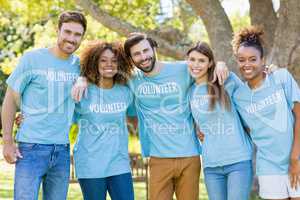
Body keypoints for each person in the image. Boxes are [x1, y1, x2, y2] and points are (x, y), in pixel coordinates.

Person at [72, 32, 229, 200]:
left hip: (189, 155)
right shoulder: (131, 80)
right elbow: (95, 71)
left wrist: (220, 64)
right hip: (157, 157)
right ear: (130, 59)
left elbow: (204, 66)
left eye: (146, 50)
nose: (143, 57)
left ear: (154, 48)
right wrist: (82, 78)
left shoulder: (183, 69)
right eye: (136, 54)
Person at [1, 11, 86, 200]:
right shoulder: (33, 59)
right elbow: (10, 100)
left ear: (82, 37)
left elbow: (104, 71)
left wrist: (83, 79)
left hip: (62, 150)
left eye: (77, 34)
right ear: (58, 30)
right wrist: (7, 141)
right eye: (68, 32)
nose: (71, 39)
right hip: (31, 149)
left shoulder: (80, 66)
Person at [232, 26, 300, 200]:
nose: (247, 64)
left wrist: (294, 158)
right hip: (268, 166)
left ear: (263, 60)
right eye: (242, 60)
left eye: (253, 59)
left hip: (297, 158)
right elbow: (243, 129)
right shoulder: (238, 97)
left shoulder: (281, 77)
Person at [186, 41, 253, 200]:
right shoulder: (189, 92)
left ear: (210, 63)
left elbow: (252, 100)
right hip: (211, 164)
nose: (196, 64)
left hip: (238, 160)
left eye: (201, 60)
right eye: (192, 60)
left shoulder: (226, 80)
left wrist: (222, 65)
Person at [73, 40, 135, 200]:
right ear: (94, 62)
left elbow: (137, 119)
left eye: (114, 61)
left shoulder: (125, 92)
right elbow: (61, 117)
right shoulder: (83, 90)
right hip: (90, 163)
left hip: (119, 163)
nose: (109, 64)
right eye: (103, 60)